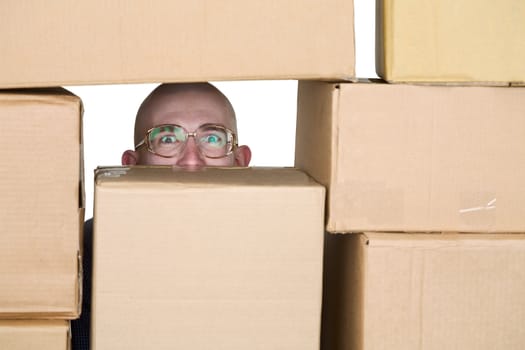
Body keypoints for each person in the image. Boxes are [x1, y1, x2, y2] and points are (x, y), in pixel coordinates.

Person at [71, 82, 251, 350]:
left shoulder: (276, 255)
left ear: (239, 161)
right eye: (167, 139)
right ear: (131, 166)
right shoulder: (83, 256)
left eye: (212, 138)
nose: (192, 161)